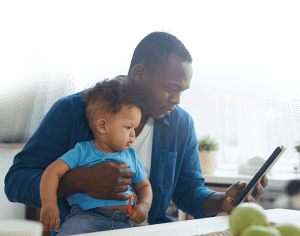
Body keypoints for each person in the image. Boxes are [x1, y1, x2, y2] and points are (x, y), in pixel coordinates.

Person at [5, 30, 268, 236]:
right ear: (140, 74)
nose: (176, 100)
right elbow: (16, 181)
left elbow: (188, 190)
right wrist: (77, 180)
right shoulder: (73, 111)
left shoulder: (181, 124)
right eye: (170, 87)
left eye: (182, 91)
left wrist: (222, 200)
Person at [39, 79, 152, 234]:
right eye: (128, 127)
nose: (134, 134)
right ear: (102, 126)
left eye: (135, 127)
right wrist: (49, 204)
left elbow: (144, 186)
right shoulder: (82, 151)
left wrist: (144, 206)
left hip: (123, 222)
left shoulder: (131, 156)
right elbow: (52, 172)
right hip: (85, 219)